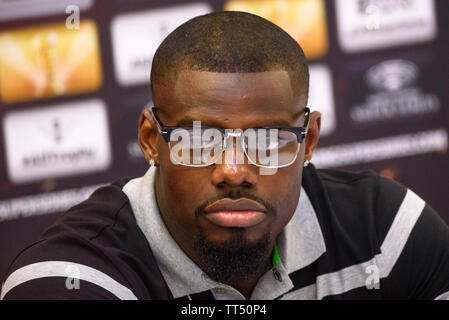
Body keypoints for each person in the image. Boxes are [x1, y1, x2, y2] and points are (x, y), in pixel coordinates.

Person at [1, 11, 448, 300]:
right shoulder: (69, 280)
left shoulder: (387, 235)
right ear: (152, 140)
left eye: (269, 138)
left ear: (308, 141)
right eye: (199, 139)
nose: (234, 170)